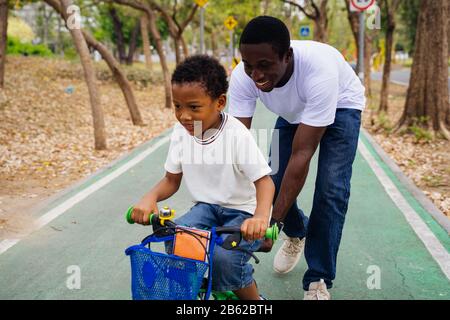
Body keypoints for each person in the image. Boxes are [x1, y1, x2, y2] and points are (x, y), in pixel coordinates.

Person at [228, 16, 366, 300]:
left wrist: (271, 223)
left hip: (342, 106)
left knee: (331, 190)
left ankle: (318, 278)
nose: (256, 75)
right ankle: (296, 231)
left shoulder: (319, 70)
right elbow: (238, 144)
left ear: (287, 56)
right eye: (249, 65)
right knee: (270, 180)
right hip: (294, 114)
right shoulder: (243, 77)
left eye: (264, 65)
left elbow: (302, 155)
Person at [131, 55, 275, 300]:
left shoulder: (236, 135)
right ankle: (200, 291)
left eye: (194, 107)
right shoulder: (182, 132)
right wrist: (149, 198)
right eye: (177, 106)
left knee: (224, 260)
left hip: (244, 212)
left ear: (219, 103)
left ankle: (255, 300)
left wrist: (260, 217)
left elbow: (264, 182)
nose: (184, 116)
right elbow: (171, 180)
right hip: (207, 208)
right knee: (177, 241)